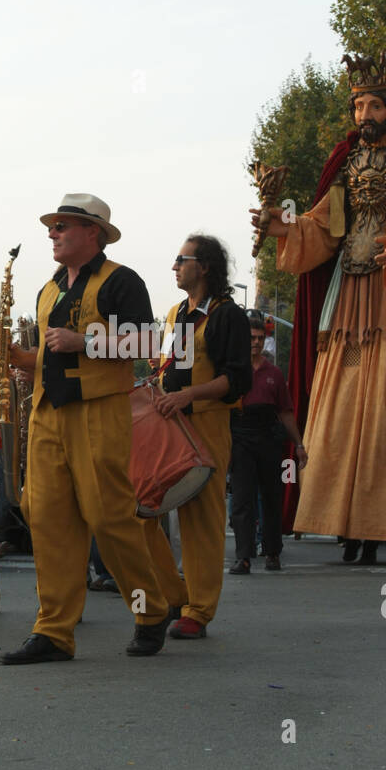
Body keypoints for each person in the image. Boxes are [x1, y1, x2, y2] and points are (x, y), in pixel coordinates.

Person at [253, 53, 386, 564]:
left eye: (372, 106)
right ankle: (338, 519)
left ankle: (374, 524)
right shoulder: (345, 161)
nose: (363, 115)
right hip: (345, 292)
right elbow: (328, 225)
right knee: (336, 403)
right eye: (358, 107)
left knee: (380, 408)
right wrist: (283, 225)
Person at [0, 193, 172, 663]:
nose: (52, 233)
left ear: (92, 232)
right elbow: (53, 355)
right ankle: (53, 630)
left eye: (62, 226)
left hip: (99, 411)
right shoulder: (49, 288)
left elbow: (146, 343)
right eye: (52, 227)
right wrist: (19, 360)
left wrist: (84, 339)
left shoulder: (122, 281)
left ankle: (151, 606)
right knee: (47, 518)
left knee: (107, 517)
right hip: (47, 412)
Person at [141, 235, 250, 641]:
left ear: (203, 267)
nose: (173, 265)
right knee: (144, 508)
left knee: (201, 522)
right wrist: (163, 372)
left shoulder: (227, 316)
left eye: (180, 259)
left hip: (206, 424)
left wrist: (188, 394)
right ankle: (175, 593)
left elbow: (238, 380)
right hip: (169, 423)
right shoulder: (174, 314)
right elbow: (178, 365)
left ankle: (199, 611)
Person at [228, 311, 306, 574]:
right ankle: (244, 557)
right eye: (251, 338)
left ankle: (272, 552)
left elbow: (285, 411)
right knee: (241, 499)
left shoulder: (274, 373)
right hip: (240, 435)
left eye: (260, 338)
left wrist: (299, 444)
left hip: (268, 437)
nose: (256, 343)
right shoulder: (233, 370)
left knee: (272, 497)